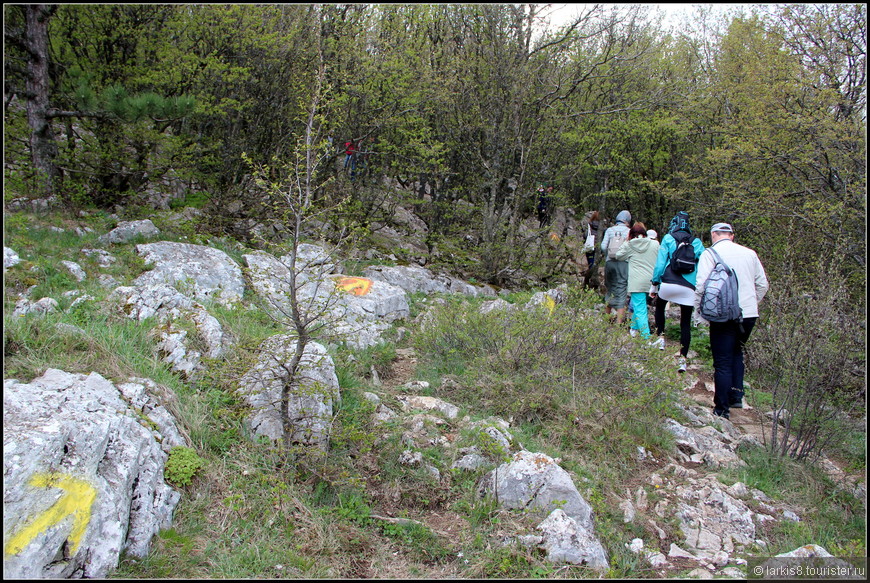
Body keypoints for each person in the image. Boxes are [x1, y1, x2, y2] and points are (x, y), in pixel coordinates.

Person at [694, 223, 769, 419]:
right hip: (749, 314)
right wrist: (751, 302)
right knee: (737, 351)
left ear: (713, 235)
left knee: (722, 361)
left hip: (723, 314)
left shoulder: (709, 254)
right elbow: (762, 284)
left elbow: (701, 286)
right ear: (732, 236)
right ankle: (736, 396)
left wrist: (699, 313)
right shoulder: (750, 253)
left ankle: (722, 408)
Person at [649, 211, 705, 372]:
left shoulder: (668, 238)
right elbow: (702, 266)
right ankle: (683, 359)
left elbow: (660, 264)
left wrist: (655, 284)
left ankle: (660, 337)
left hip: (668, 283)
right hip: (688, 287)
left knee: (660, 306)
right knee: (685, 323)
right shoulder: (697, 243)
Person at [615, 222, 659, 339]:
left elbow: (618, 255)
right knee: (641, 306)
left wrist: (625, 242)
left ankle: (646, 338)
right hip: (651, 282)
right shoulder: (655, 244)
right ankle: (634, 329)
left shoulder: (630, 245)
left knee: (640, 310)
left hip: (636, 282)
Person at [600, 210, 632, 324]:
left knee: (610, 288)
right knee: (622, 289)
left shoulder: (610, 230)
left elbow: (603, 247)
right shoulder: (629, 232)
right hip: (623, 263)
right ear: (627, 221)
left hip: (610, 263)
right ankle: (618, 323)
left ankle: (606, 320)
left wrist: (609, 254)